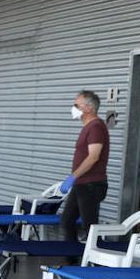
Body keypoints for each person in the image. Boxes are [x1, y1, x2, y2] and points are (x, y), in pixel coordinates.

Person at [61, 90, 110, 247]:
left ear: (88, 107)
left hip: (91, 184)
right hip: (82, 184)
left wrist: (73, 176)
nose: (73, 108)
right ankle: (72, 258)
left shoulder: (96, 127)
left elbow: (93, 156)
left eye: (76, 105)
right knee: (67, 220)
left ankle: (98, 264)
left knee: (90, 226)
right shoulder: (89, 127)